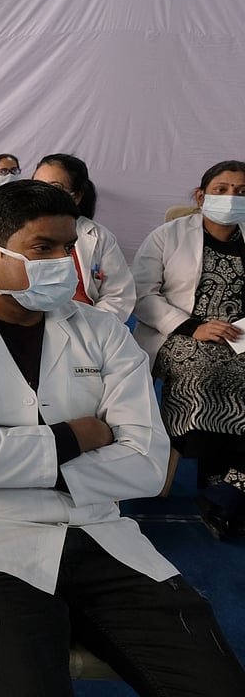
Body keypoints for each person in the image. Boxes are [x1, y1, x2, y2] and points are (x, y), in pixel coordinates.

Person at [0, 179, 245, 697]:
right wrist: (81, 434)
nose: (65, 262)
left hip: (99, 535)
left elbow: (148, 466)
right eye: (43, 248)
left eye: (68, 247)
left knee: (215, 684)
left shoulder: (103, 332)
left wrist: (11, 461)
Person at [132, 160, 245, 539]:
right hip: (183, 333)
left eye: (242, 192)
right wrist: (194, 327)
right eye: (223, 189)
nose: (232, 198)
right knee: (205, 371)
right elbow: (141, 295)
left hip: (241, 337)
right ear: (201, 196)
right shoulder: (167, 236)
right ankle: (224, 486)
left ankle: (227, 488)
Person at [32, 153, 135, 322]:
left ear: (77, 196)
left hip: (87, 324)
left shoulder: (100, 237)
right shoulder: (9, 228)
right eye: (37, 186)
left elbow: (118, 295)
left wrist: (88, 328)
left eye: (55, 187)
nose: (44, 194)